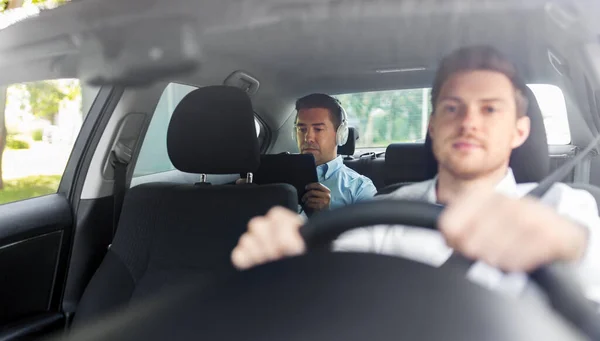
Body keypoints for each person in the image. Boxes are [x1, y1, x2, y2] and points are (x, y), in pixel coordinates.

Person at [230, 45, 600, 295]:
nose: (469, 122)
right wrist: (290, 249)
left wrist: (569, 246)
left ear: (520, 130)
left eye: (489, 109)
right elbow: (335, 275)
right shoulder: (386, 215)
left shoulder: (565, 209)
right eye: (453, 108)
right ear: (433, 126)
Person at [240, 94, 377, 213]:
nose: (308, 138)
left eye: (318, 129)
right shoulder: (270, 175)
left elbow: (367, 241)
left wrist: (325, 216)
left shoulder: (359, 188)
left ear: (340, 134)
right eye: (302, 129)